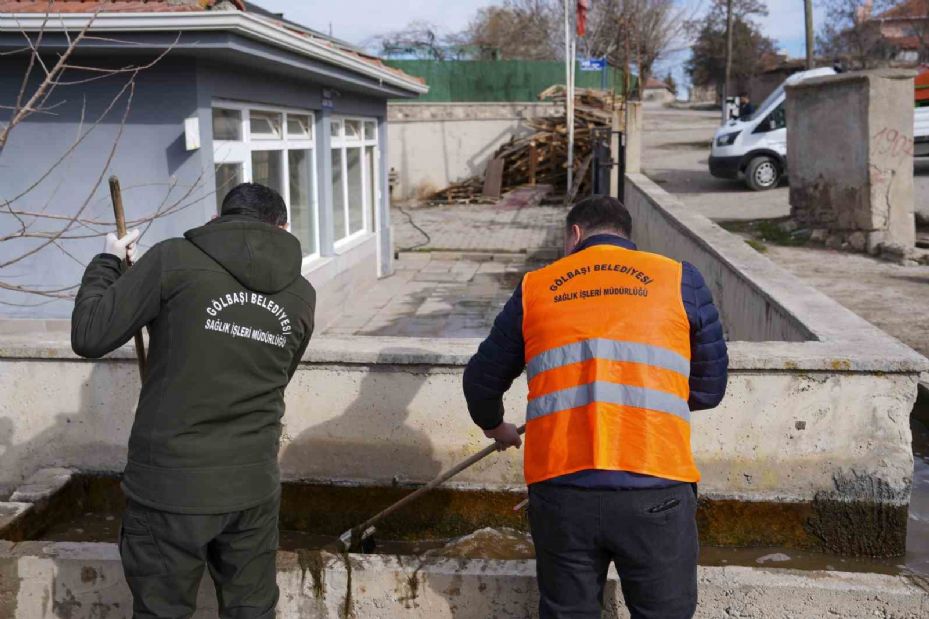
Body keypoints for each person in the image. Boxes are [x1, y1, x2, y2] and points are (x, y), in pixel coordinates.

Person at [462, 195, 728, 619]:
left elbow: (480, 382)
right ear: (626, 235)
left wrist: (497, 427)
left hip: (563, 492)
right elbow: (710, 389)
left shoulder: (537, 286)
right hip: (656, 488)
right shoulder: (680, 280)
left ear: (575, 235)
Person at [72, 183, 316, 618]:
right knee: (252, 611)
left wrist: (110, 264)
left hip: (170, 490)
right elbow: (275, 377)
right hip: (252, 488)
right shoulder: (302, 294)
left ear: (216, 220)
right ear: (283, 228)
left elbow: (91, 334)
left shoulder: (171, 260)